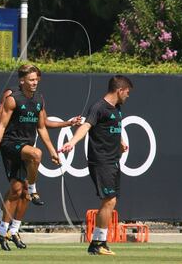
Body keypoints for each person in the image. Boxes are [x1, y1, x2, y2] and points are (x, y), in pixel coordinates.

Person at [0, 64, 60, 251]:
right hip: (11, 144)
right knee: (36, 154)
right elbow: (1, 126)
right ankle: (35, 188)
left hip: (26, 145)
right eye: (31, 79)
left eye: (37, 79)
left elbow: (42, 127)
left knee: (18, 191)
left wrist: (53, 150)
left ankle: (5, 231)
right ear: (22, 81)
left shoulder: (39, 99)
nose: (35, 82)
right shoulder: (13, 99)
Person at [61, 75, 133, 255]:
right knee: (109, 200)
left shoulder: (117, 108)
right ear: (119, 90)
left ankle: (99, 242)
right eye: (127, 92)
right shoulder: (99, 107)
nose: (128, 96)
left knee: (111, 200)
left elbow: (114, 128)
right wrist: (72, 142)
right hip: (101, 161)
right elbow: (86, 126)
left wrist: (121, 141)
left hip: (113, 160)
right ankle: (97, 243)